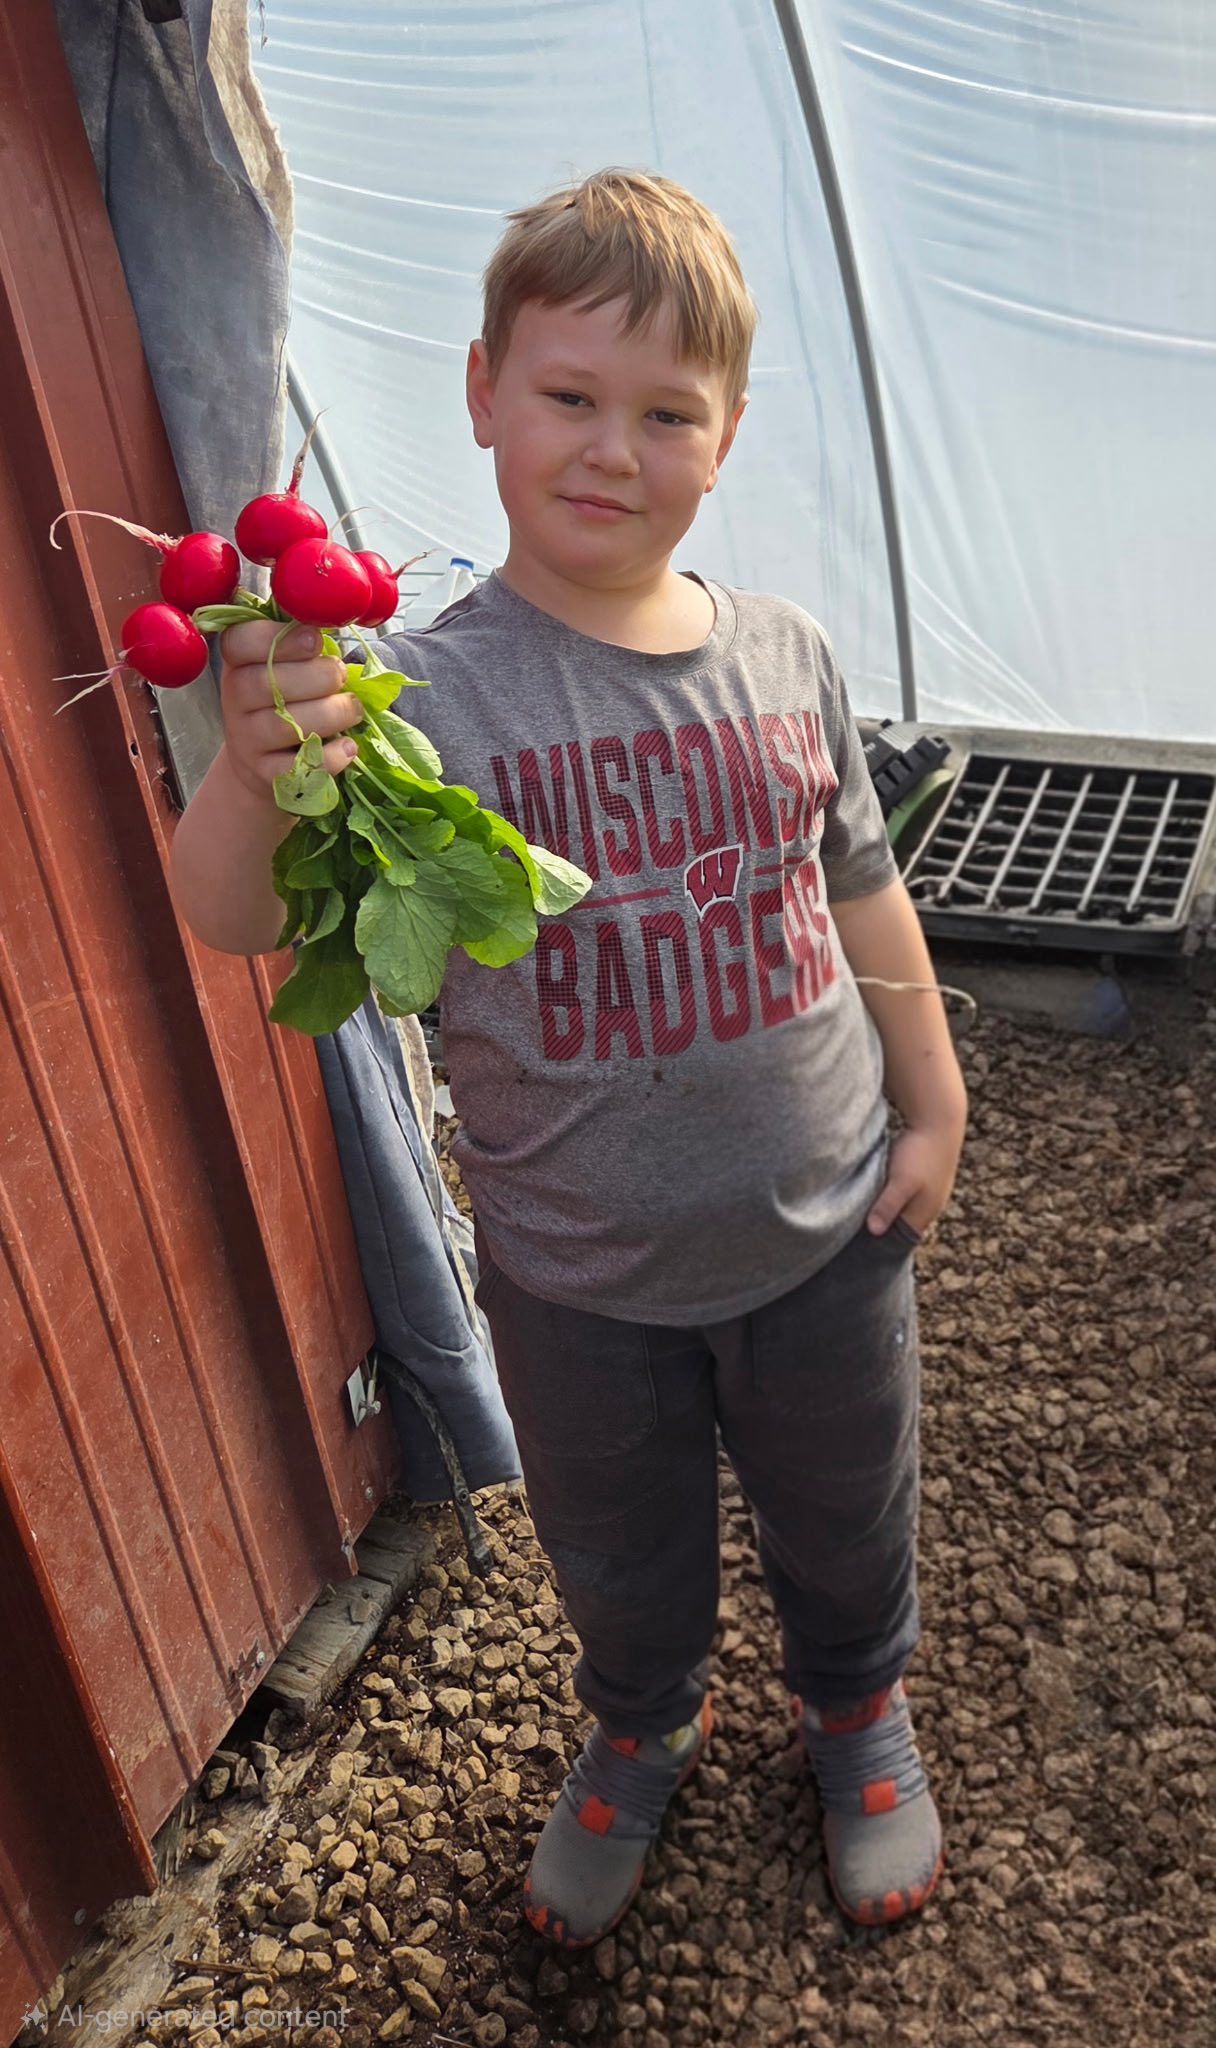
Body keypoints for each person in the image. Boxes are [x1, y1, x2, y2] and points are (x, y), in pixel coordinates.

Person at [170, 169, 968, 1949]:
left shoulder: (787, 657)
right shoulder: (415, 703)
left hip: (827, 1238)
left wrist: (937, 1096)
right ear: (480, 395)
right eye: (568, 397)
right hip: (576, 1275)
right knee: (618, 1544)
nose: (614, 449)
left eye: (666, 413)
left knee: (851, 1510)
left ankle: (855, 1708)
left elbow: (862, 891)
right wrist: (248, 767)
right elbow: (235, 920)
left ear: (728, 436)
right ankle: (640, 1724)